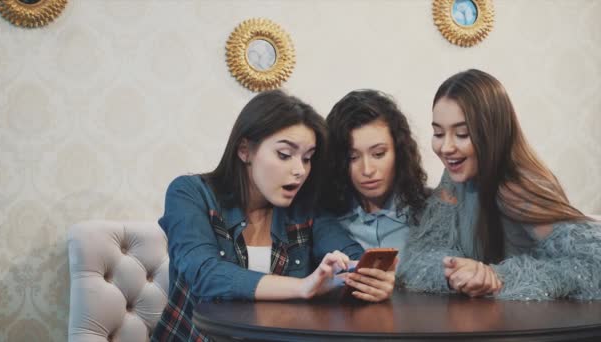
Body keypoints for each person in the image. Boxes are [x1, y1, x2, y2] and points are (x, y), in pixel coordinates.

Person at [151, 90, 396, 341]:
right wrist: (303, 287)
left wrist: (372, 278)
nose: (299, 170)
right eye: (284, 155)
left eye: (307, 158)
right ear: (245, 150)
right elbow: (204, 275)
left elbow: (351, 255)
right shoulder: (190, 193)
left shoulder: (305, 209)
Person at [397, 69, 601, 300]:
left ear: (493, 132)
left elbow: (595, 263)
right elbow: (418, 257)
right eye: (438, 133)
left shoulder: (518, 187)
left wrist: (497, 276)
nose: (446, 147)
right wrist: (455, 272)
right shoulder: (453, 180)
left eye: (462, 134)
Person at [324, 89, 428, 253]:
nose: (367, 170)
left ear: (399, 151)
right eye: (352, 157)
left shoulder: (431, 212)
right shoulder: (325, 220)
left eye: (378, 154)